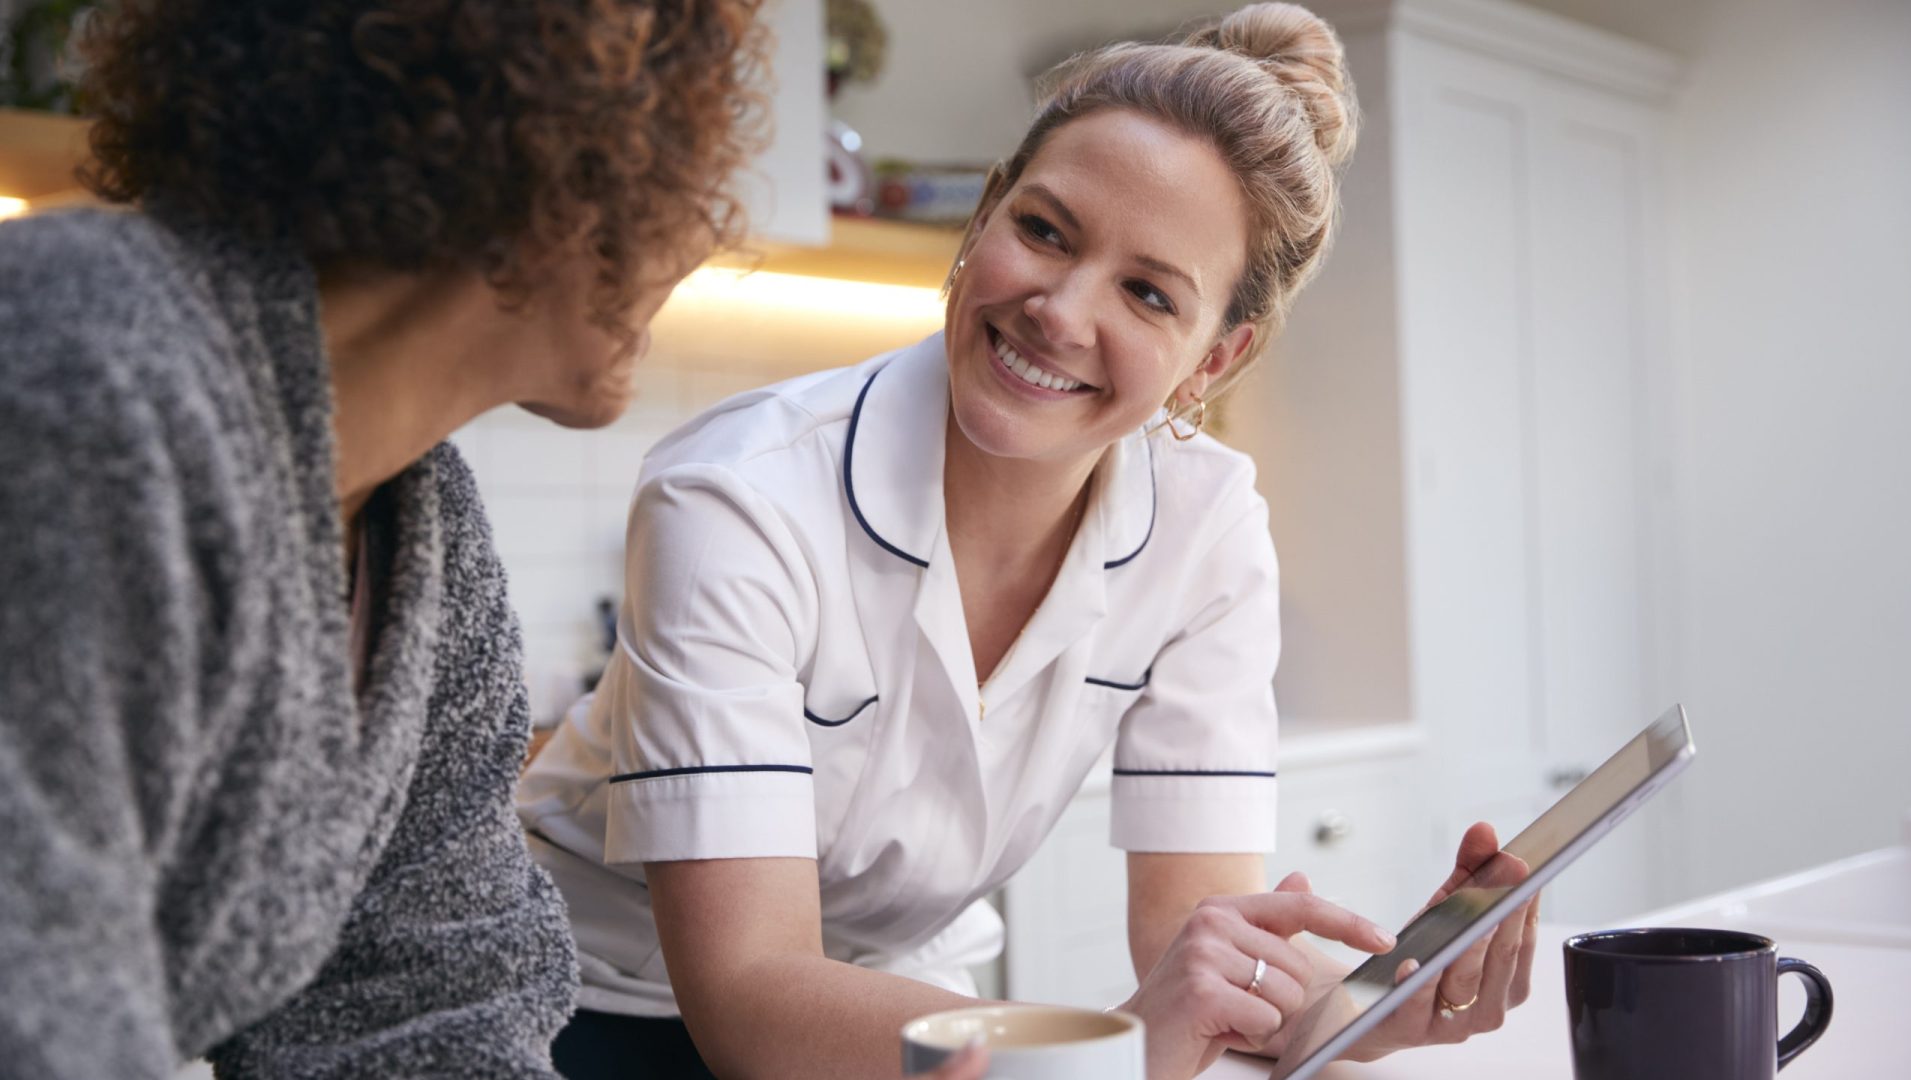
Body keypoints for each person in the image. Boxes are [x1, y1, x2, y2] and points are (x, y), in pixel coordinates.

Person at [517, 3, 1539, 1079]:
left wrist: (1369, 1003)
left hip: (910, 1000)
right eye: (1045, 230)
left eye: (1148, 293)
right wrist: (1120, 1046)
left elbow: (1194, 949)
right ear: (985, 215)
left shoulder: (1208, 528)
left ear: (1211, 363)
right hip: (594, 1002)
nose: (1060, 309)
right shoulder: (741, 494)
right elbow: (748, 996)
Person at [0, 1, 792, 1076]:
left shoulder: (425, 536)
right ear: (563, 167)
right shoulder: (76, 369)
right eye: (681, 169)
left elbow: (433, 1009)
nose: (699, 232)